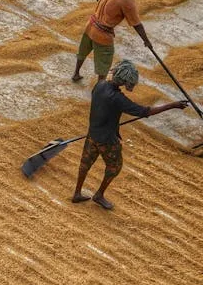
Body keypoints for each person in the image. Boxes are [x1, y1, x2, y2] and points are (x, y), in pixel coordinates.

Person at [71, 59, 188, 210]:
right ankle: (99, 195)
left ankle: (77, 193)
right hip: (107, 140)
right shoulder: (118, 98)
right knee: (114, 167)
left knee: (85, 164)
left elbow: (102, 105)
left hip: (92, 134)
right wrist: (172, 105)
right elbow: (145, 112)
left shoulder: (99, 85)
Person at [72, 0, 154, 82]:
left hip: (90, 25)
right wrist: (146, 41)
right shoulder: (128, 2)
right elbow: (137, 25)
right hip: (103, 35)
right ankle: (99, 90)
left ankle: (76, 74)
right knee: (104, 66)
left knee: (83, 52)